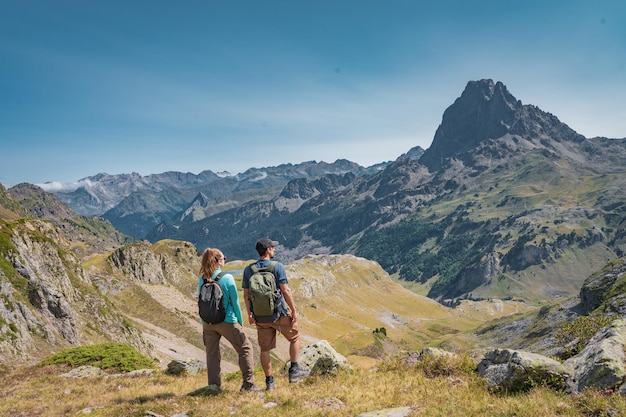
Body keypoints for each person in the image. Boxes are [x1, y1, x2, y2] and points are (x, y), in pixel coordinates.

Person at [242, 238, 308, 390]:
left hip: (260, 316)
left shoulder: (248, 270)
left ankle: (269, 382)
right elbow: (285, 290)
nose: (275, 250)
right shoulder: (277, 267)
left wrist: (250, 314)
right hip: (279, 314)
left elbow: (246, 295)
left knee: (265, 349)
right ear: (268, 250)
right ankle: (294, 372)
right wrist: (294, 310)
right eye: (273, 247)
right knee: (295, 337)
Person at [198, 247, 261, 392]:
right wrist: (240, 321)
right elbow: (235, 302)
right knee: (245, 348)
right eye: (223, 258)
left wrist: (204, 324)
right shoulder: (227, 278)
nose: (225, 260)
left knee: (212, 354)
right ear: (218, 261)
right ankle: (248, 384)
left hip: (208, 323)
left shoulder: (201, 279)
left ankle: (213, 386)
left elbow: (200, 302)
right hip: (227, 321)